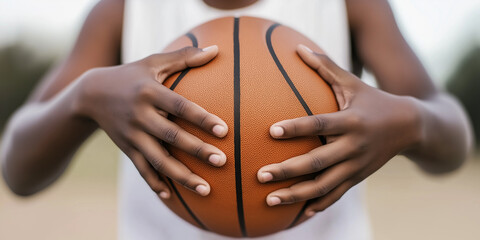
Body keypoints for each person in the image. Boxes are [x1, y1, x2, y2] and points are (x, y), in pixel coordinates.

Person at [0, 0, 473, 239]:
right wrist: (84, 96)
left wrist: (411, 122)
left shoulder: (349, 4)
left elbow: (452, 136)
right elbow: (18, 170)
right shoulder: (124, 10)